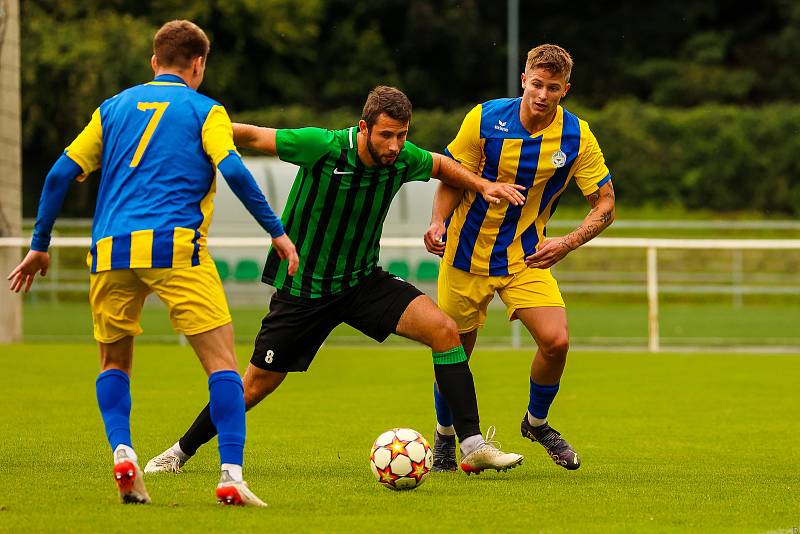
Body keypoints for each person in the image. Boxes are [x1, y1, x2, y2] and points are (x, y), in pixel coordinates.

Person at [146, 85, 526, 476]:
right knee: (253, 387)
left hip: (362, 283)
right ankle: (179, 452)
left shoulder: (402, 159)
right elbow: (254, 135)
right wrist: (194, 128)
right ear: (363, 128)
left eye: (402, 135)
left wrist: (482, 186)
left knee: (445, 330)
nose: (395, 146)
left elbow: (441, 165)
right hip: (304, 291)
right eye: (386, 135)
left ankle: (472, 445)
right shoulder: (321, 146)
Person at [7, 20, 298, 506]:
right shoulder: (207, 110)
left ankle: (123, 451)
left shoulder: (112, 108)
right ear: (199, 64)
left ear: (153, 61)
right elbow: (232, 170)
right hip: (174, 247)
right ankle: (229, 473)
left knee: (114, 363)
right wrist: (277, 231)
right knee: (223, 363)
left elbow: (60, 173)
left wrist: (40, 243)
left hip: (110, 251)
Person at [423, 44, 615, 472]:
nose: (542, 94)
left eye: (553, 87)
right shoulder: (485, 118)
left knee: (556, 341)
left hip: (527, 258)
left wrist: (566, 242)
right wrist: (437, 221)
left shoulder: (577, 136)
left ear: (565, 89)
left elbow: (605, 204)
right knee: (454, 353)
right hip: (464, 257)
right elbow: (453, 176)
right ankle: (445, 436)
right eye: (536, 84)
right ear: (523, 79)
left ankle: (537, 423)